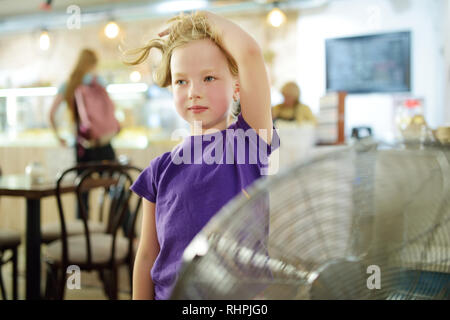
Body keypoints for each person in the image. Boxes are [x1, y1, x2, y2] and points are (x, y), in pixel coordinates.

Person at [127, 11, 279, 300]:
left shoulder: (248, 143)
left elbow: (248, 52)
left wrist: (203, 18)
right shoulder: (159, 169)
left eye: (208, 78)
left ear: (237, 87)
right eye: (181, 81)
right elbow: (147, 254)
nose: (194, 92)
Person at [49, 48, 117, 218]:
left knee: (82, 194)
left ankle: (82, 232)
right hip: (103, 144)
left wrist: (59, 137)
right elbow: (109, 110)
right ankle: (129, 234)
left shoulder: (69, 85)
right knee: (115, 190)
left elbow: (50, 114)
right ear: (92, 63)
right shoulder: (97, 82)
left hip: (81, 146)